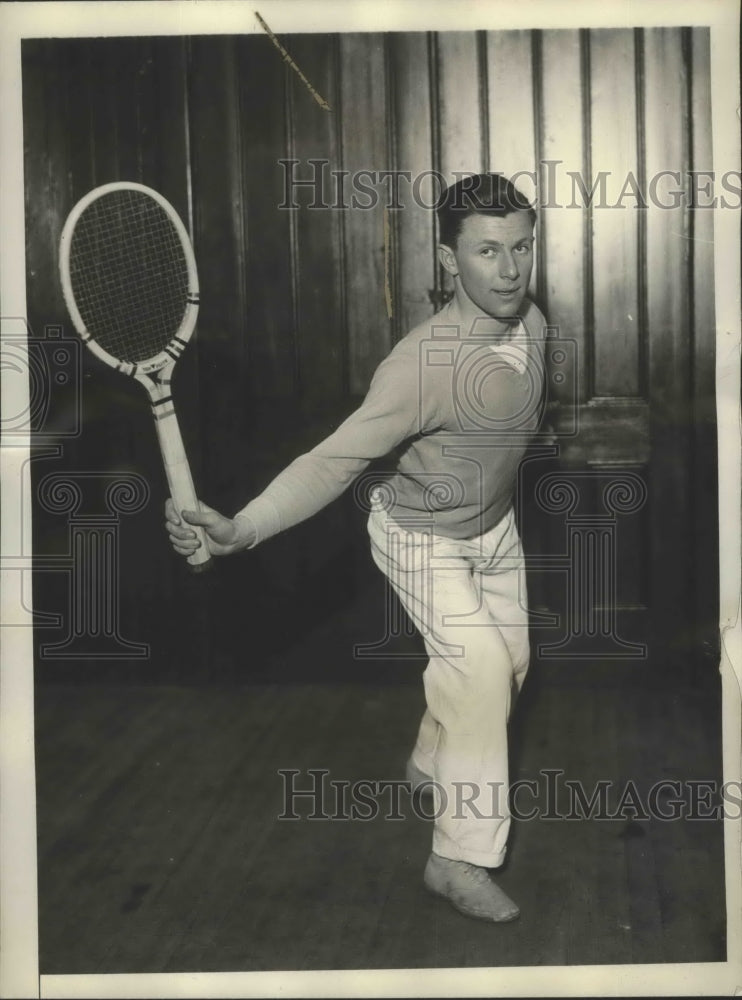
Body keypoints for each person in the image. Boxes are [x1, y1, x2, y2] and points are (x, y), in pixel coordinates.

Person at [165, 172, 547, 922]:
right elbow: (332, 461)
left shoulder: (530, 320)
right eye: (488, 252)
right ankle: (456, 860)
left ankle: (431, 761)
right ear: (448, 261)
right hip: (417, 536)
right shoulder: (418, 367)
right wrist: (242, 529)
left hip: (494, 530)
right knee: (479, 670)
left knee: (511, 667)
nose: (509, 270)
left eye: (523, 247)